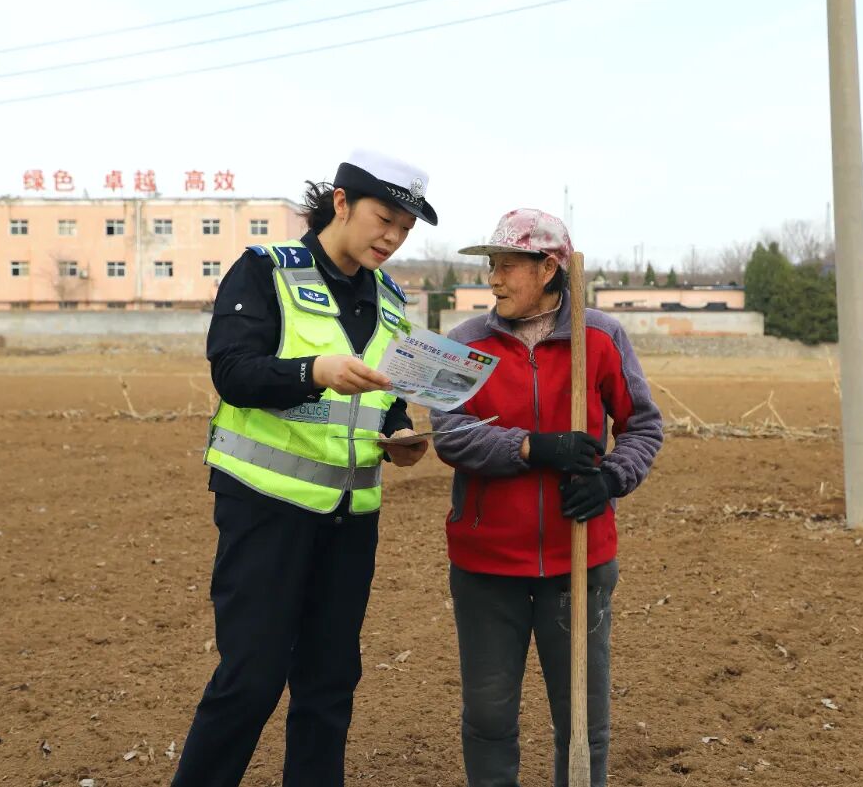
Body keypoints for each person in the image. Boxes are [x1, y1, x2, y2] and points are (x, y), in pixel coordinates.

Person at [172, 149, 438, 787]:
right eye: (384, 220)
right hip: (266, 506)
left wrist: (400, 433)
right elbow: (233, 372)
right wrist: (313, 371)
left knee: (330, 680)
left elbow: (387, 397)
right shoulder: (265, 271)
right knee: (251, 679)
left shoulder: (391, 300)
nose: (392, 239)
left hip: (351, 516)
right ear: (341, 202)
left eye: (405, 229)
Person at [430, 209, 664, 787]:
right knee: (488, 720)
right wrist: (531, 447)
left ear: (549, 268)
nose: (494, 279)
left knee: (584, 721)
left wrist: (611, 478)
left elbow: (642, 426)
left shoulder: (600, 338)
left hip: (578, 562)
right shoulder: (464, 343)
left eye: (507, 265)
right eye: (491, 265)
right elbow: (451, 435)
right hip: (486, 567)